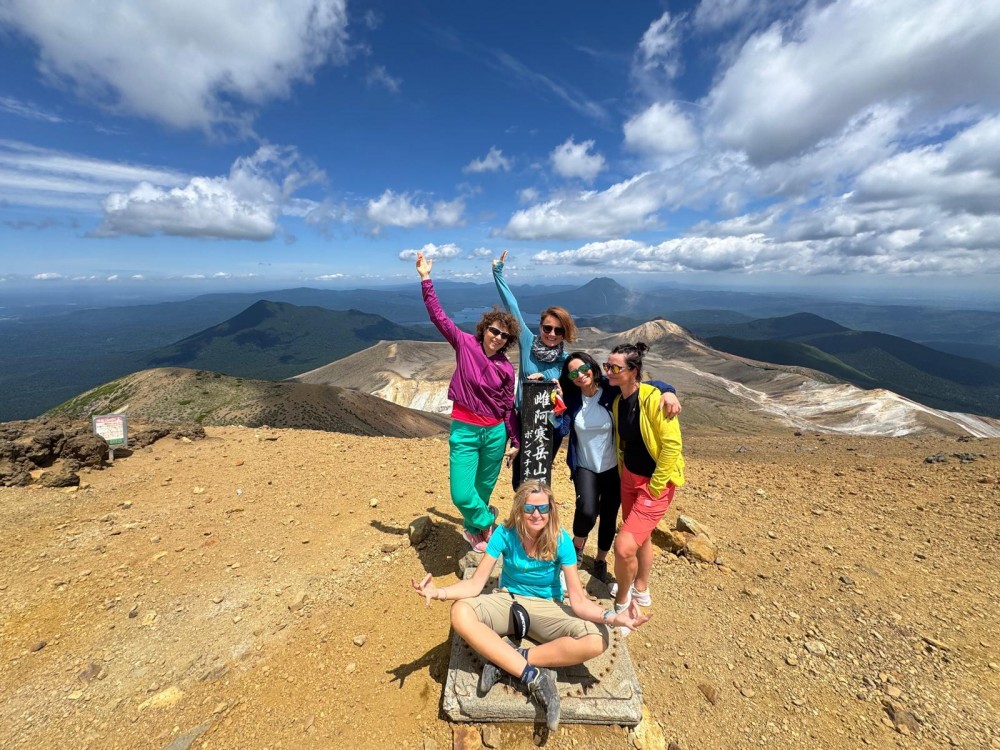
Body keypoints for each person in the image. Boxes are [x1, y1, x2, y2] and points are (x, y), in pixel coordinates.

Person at [412, 481, 651, 731]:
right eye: (529, 508)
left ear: (551, 510)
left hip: (547, 605)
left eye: (543, 508)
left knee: (598, 639)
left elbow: (579, 601)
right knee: (460, 612)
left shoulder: (560, 540)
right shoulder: (505, 534)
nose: (537, 514)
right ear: (519, 509)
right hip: (509, 601)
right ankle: (532, 675)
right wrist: (439, 592)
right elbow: (475, 584)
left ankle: (509, 660)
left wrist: (613, 617)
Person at [417, 252, 520, 551]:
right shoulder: (464, 344)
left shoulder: (506, 368)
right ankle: (487, 522)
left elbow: (507, 407)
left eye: (504, 335)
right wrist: (426, 278)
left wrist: (514, 439)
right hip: (465, 430)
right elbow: (438, 317)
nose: (498, 337)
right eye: (494, 330)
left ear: (508, 340)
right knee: (462, 494)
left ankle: (475, 532)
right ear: (484, 329)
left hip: (495, 434)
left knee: (483, 488)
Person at [551, 351, 679, 583]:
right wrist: (557, 411)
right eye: (573, 373)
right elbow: (561, 430)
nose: (580, 375)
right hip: (585, 465)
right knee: (587, 510)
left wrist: (668, 391)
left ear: (592, 367)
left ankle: (600, 560)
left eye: (583, 369)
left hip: (613, 467)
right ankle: (577, 547)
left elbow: (644, 385)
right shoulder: (572, 399)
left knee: (609, 516)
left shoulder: (611, 390)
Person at [605, 342, 685, 624]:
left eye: (615, 368)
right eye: (607, 366)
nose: (609, 372)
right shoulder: (619, 401)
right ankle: (641, 589)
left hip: (654, 484)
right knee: (641, 538)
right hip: (630, 477)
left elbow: (672, 445)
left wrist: (656, 485)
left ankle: (623, 605)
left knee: (624, 546)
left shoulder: (654, 399)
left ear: (633, 371)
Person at [492, 250, 576, 489]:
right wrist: (497, 272)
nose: (552, 334)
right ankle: (523, 512)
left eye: (558, 330)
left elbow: (584, 387)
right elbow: (512, 307)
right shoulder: (527, 341)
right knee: (519, 480)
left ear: (564, 333)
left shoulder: (566, 361)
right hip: (522, 419)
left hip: (549, 423)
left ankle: (538, 511)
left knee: (539, 476)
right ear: (540, 326)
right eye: (547, 328)